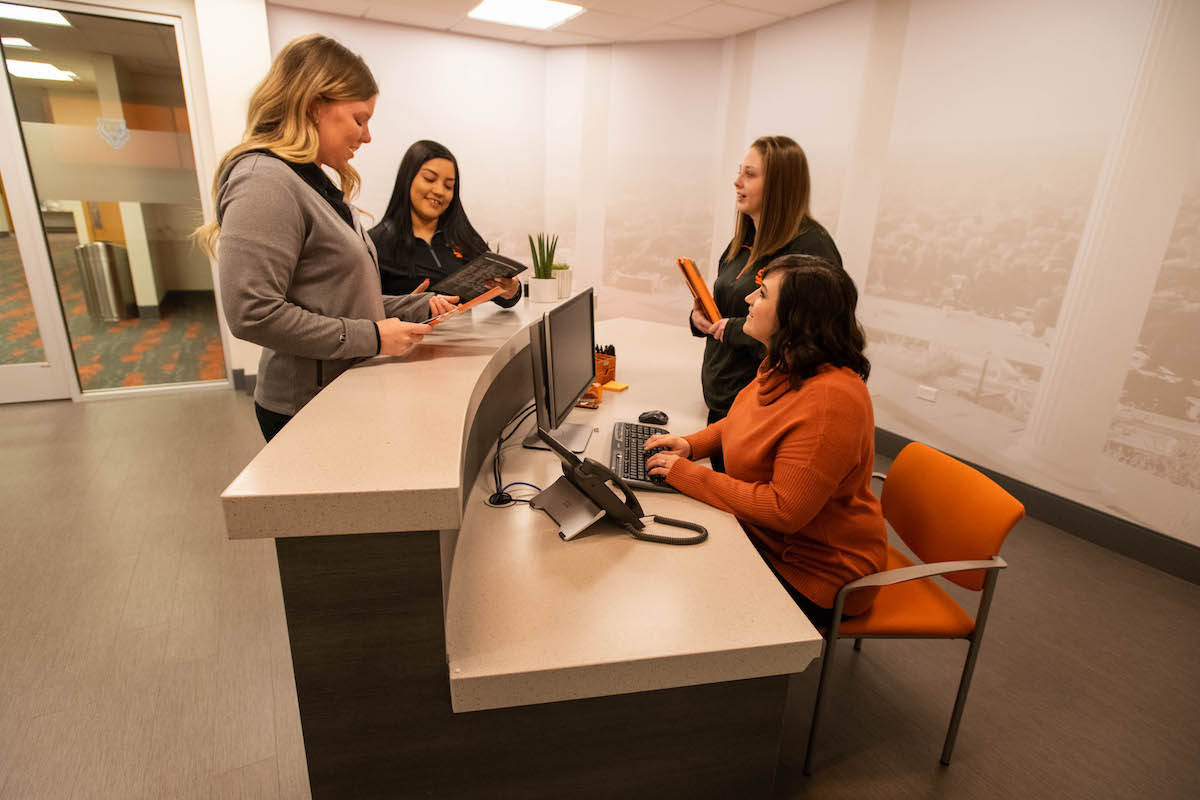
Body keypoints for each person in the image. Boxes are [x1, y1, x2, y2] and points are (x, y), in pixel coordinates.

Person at [195, 35, 457, 442]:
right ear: (315, 105)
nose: (366, 136)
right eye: (359, 119)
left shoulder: (312, 182)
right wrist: (372, 336)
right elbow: (253, 313)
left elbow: (335, 298)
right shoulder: (263, 181)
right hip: (304, 405)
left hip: (343, 388)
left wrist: (414, 306)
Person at [646, 255, 886, 627]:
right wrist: (691, 446)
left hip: (817, 574)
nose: (747, 301)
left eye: (761, 294)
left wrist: (687, 475)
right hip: (765, 540)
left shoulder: (829, 404)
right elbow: (742, 421)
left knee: (679, 588)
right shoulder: (785, 364)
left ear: (796, 316)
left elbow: (783, 510)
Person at [692, 135, 842, 472]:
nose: (737, 181)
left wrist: (729, 330)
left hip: (766, 410)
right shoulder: (747, 236)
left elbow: (808, 341)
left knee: (743, 517)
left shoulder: (811, 250)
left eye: (750, 174)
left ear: (780, 185)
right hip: (725, 401)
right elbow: (728, 301)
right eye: (739, 172)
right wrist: (701, 316)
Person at [368, 140, 521, 306]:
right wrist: (404, 307)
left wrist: (512, 290)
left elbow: (502, 297)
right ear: (407, 179)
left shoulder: (461, 236)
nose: (439, 191)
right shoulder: (375, 243)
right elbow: (365, 312)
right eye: (429, 179)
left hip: (466, 331)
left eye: (448, 186)